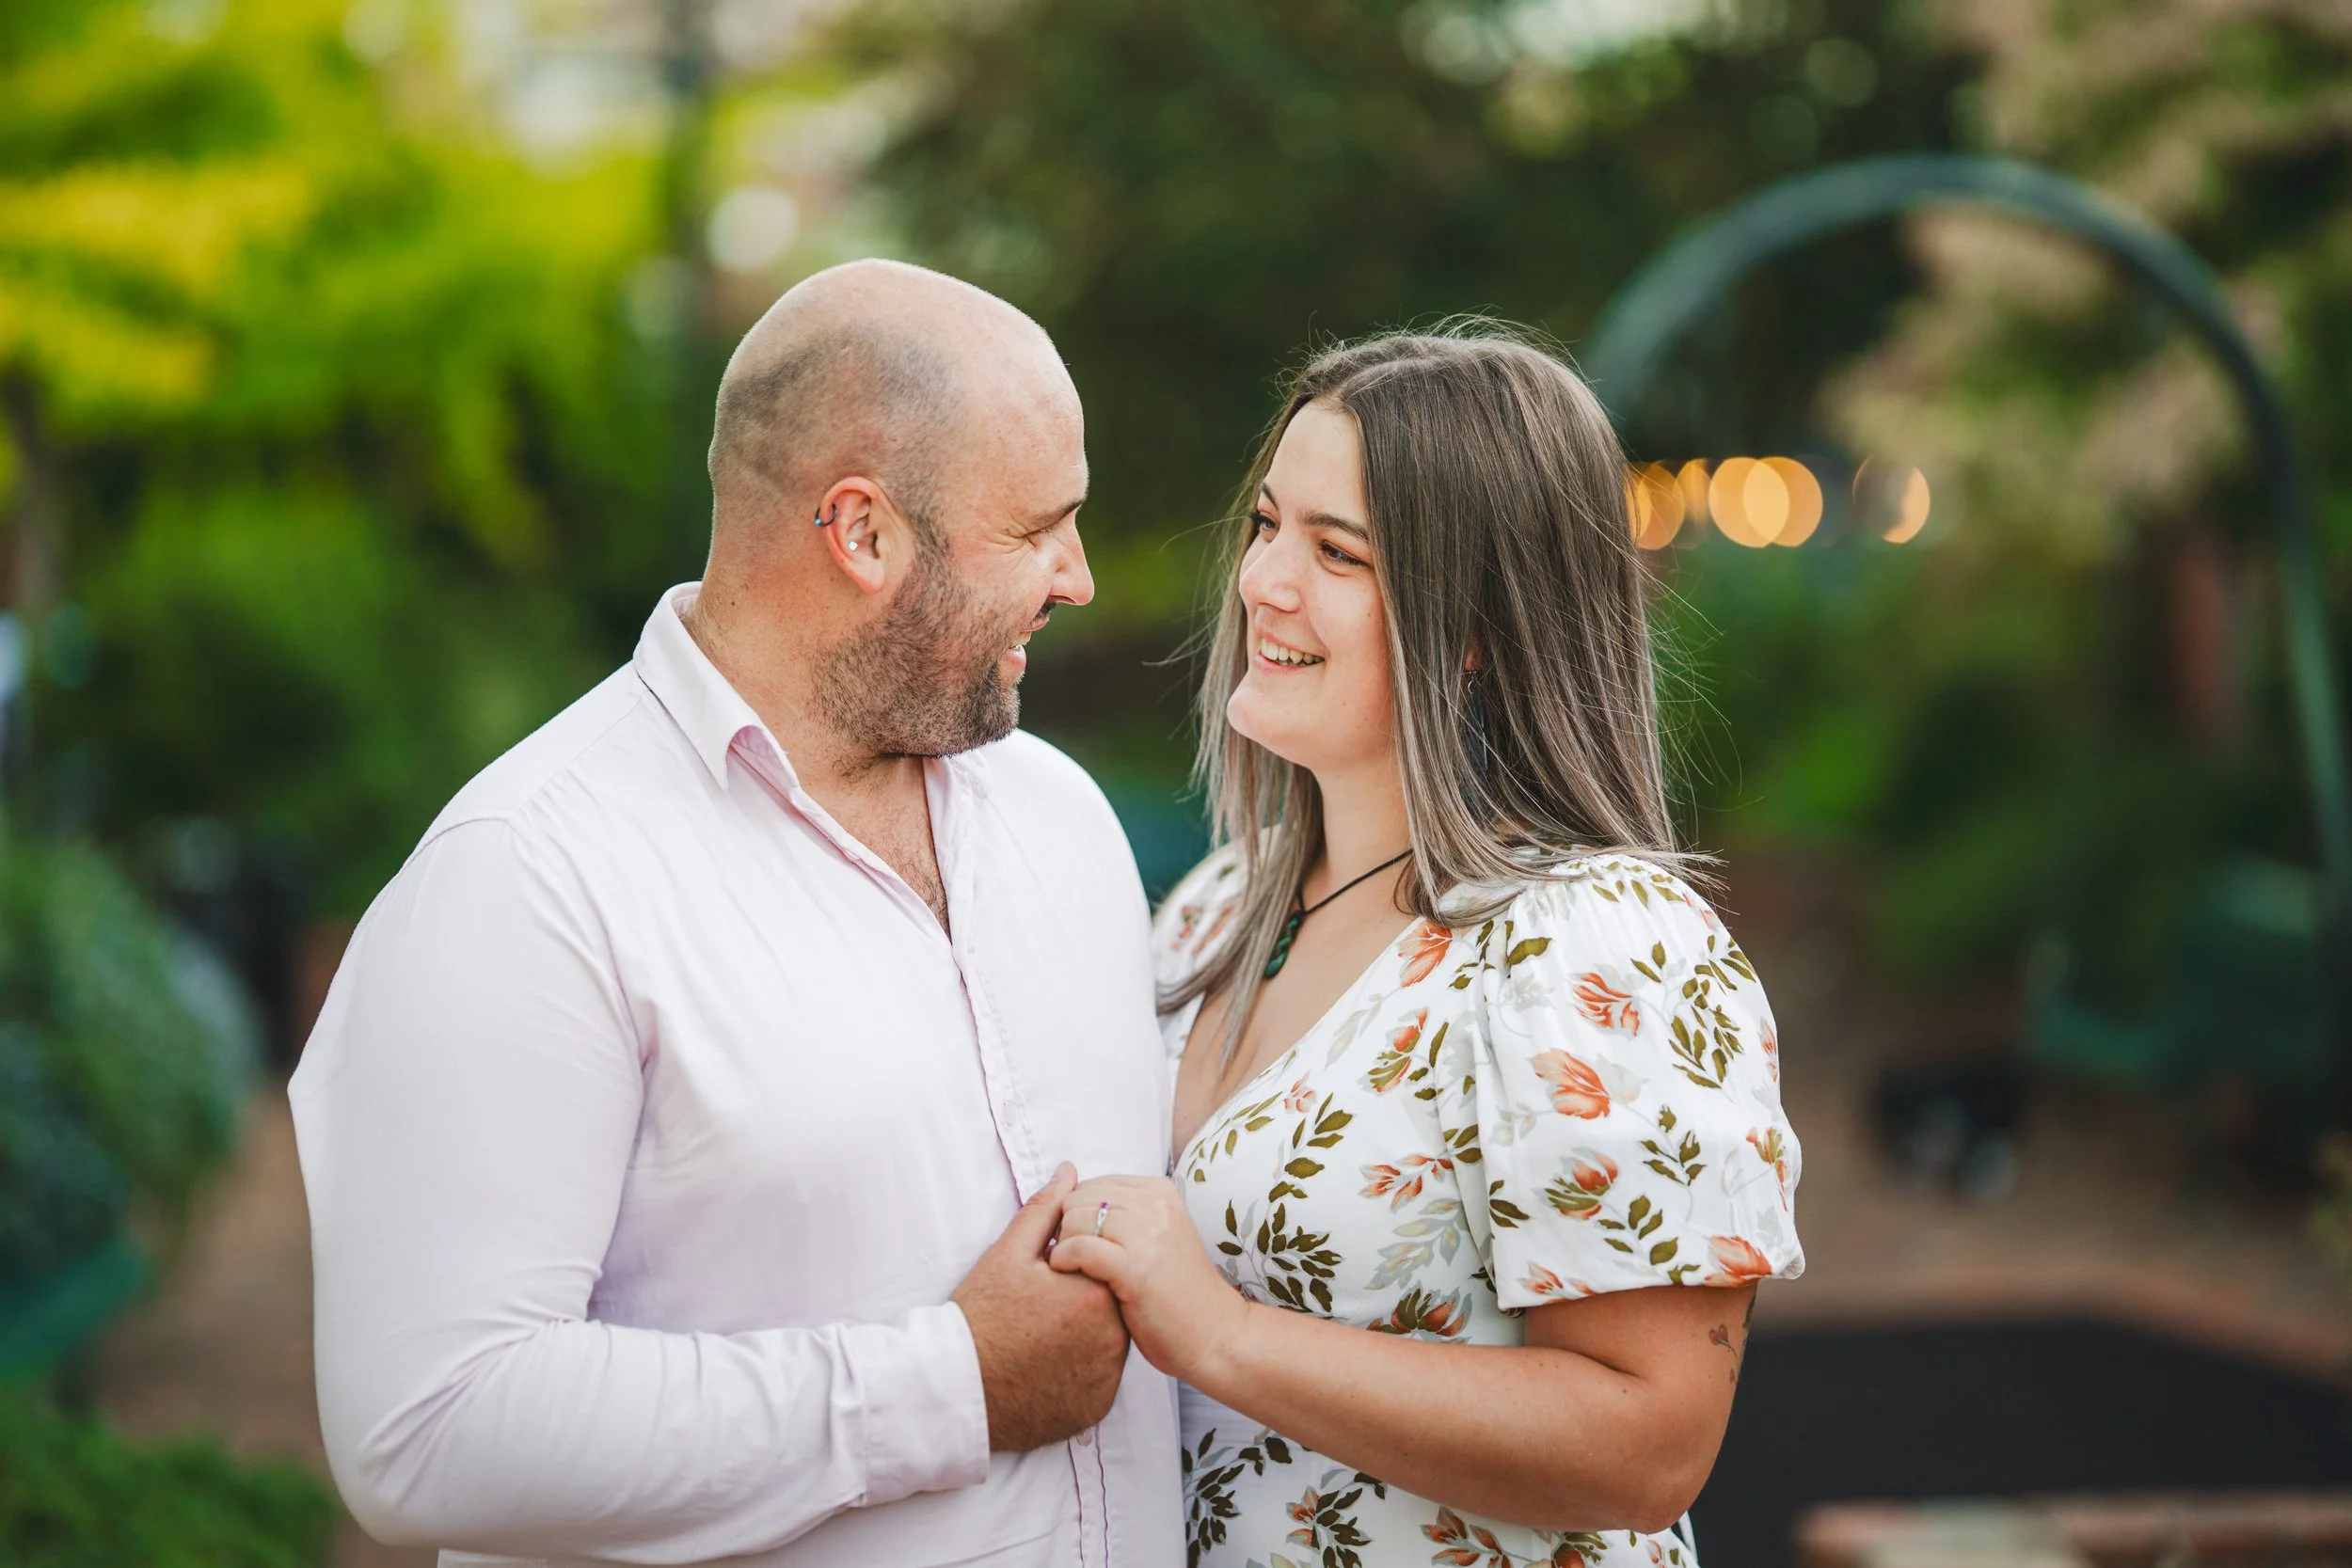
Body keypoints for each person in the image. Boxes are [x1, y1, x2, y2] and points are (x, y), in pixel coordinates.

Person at [289, 260, 1182, 1568]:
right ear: (862, 534)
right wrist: (949, 1383)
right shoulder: (527, 878)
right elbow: (428, 1430)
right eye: (1040, 528)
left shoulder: (1062, 817)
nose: (1080, 577)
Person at [1044, 326, 1804, 1568]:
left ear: (1479, 629)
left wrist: (1225, 1336)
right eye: (1267, 526)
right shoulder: (1214, 909)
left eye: (1337, 551)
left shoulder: (1593, 943)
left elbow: (1650, 1440)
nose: (1264, 582)